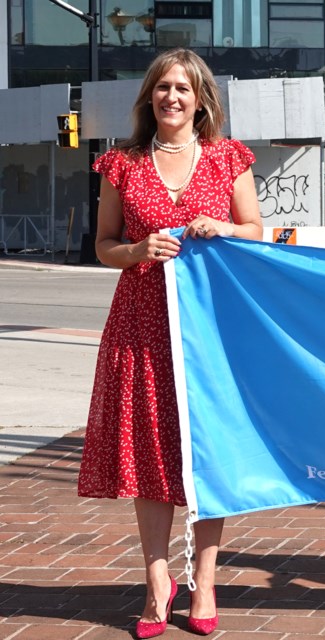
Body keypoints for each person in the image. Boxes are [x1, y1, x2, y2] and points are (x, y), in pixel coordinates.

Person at [77, 48, 262, 639]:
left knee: (208, 455)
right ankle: (158, 582)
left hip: (211, 329)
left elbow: (256, 230)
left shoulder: (227, 157)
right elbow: (104, 245)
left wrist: (224, 228)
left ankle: (204, 581)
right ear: (149, 98)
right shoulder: (122, 165)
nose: (172, 98)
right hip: (141, 325)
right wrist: (137, 251)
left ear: (202, 98)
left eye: (183, 88)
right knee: (147, 456)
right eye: (162, 88)